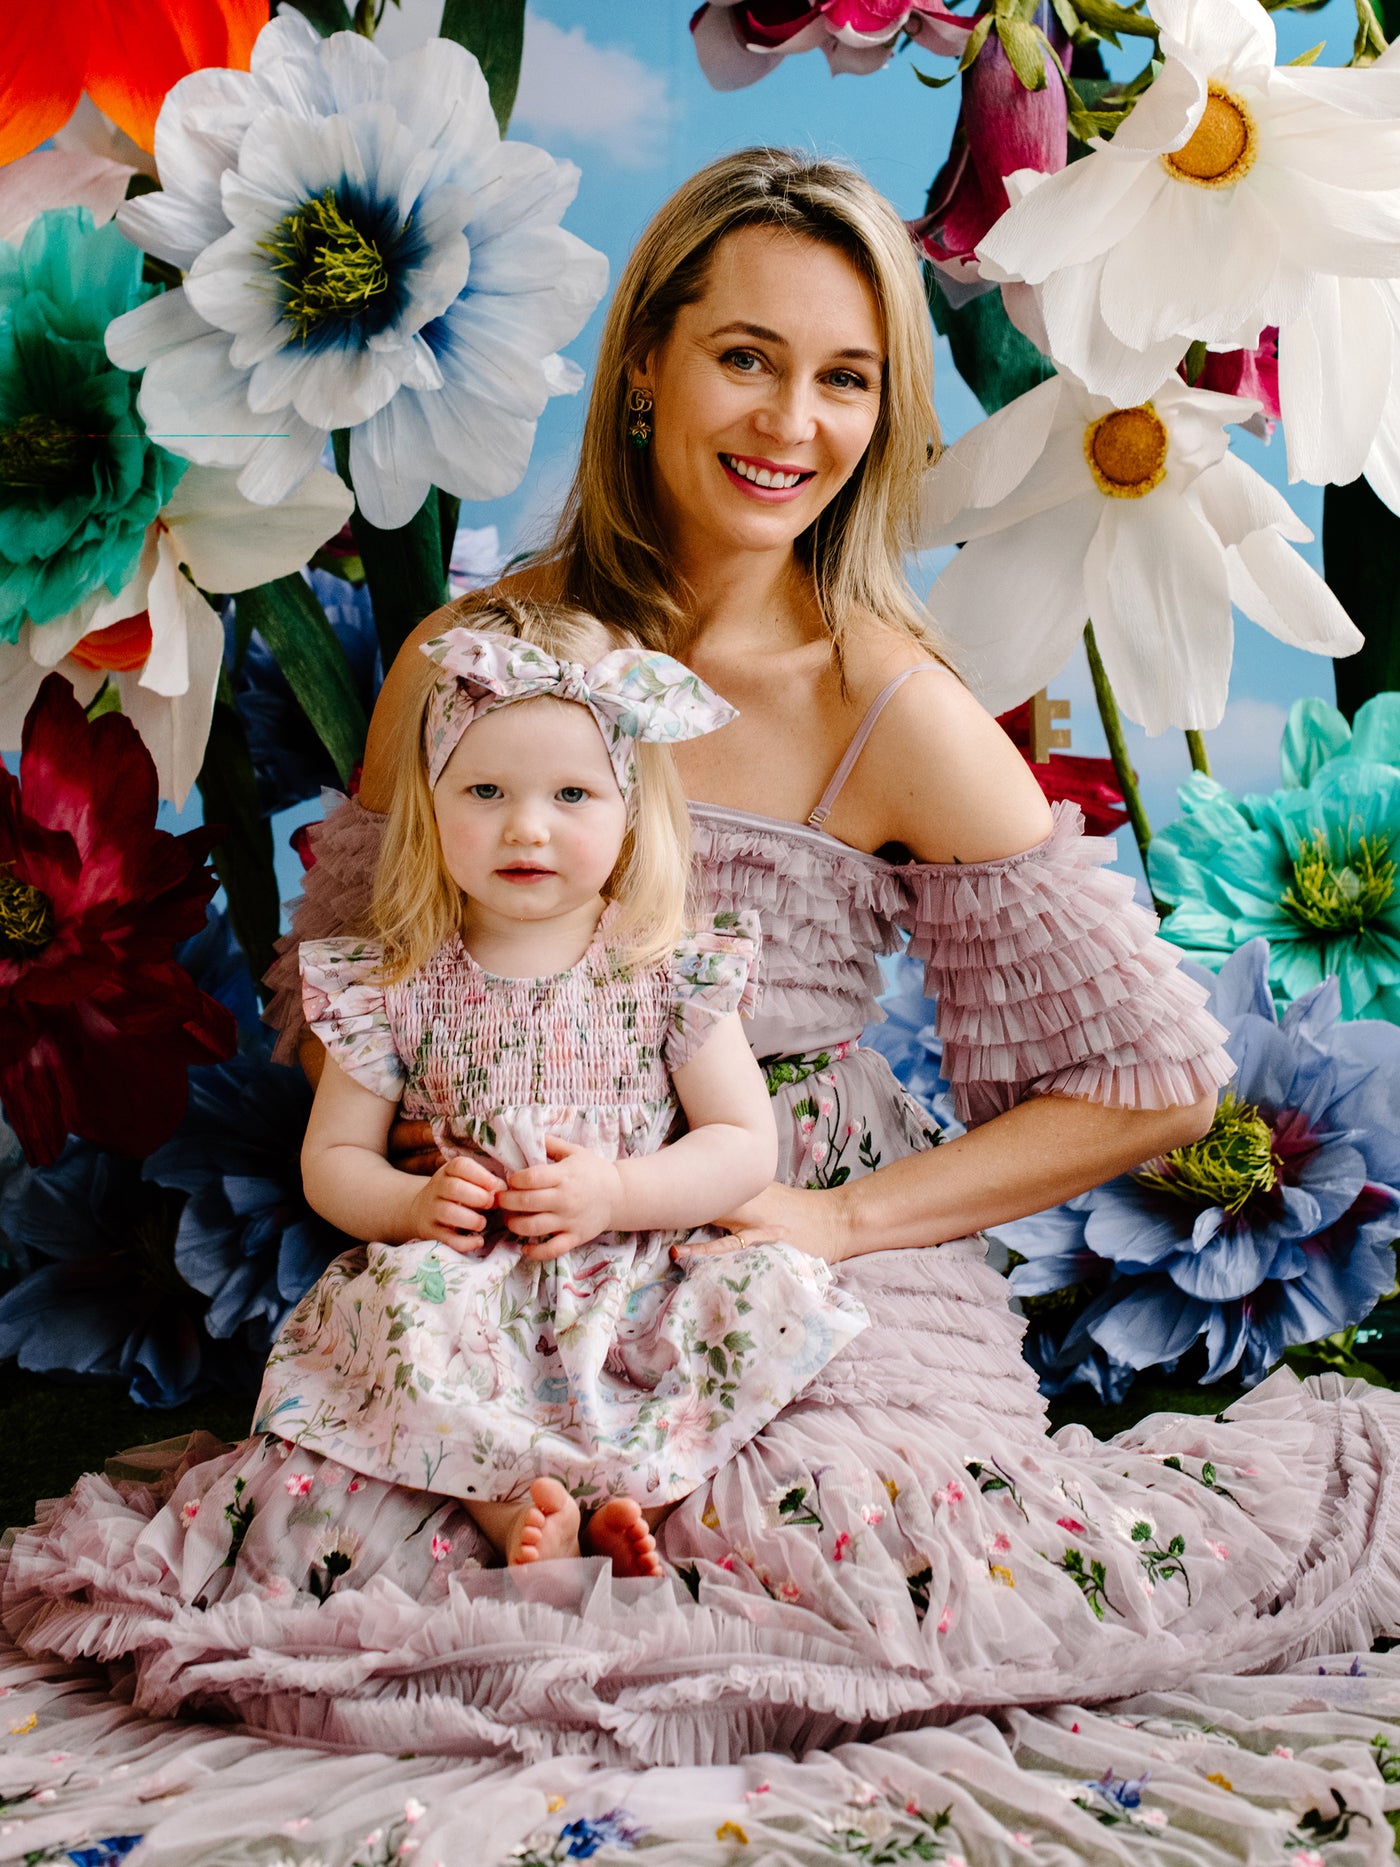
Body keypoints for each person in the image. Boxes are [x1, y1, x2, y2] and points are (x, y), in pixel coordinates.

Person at [6, 149, 1399, 1777]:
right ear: (651, 362)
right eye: (748, 356)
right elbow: (347, 983)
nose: (790, 422)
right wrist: (442, 1142)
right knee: (365, 1529)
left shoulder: (888, 701)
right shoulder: (473, 666)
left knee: (786, 1529)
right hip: (524, 1229)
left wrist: (832, 1212)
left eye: (845, 378)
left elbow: (1154, 1087)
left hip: (792, 1235)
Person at [260, 604, 867, 1579]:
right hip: (475, 1279)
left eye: (574, 793)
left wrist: (619, 1193)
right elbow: (331, 1160)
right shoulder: (394, 981)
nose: (527, 825)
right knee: (391, 1310)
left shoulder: (666, 967)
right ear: (432, 797)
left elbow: (742, 1142)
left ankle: (651, 1491)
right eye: (487, 788)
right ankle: (508, 1506)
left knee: (765, 1290)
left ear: (630, 807)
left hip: (636, 1269)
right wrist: (411, 1204)